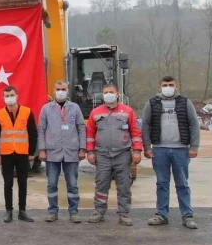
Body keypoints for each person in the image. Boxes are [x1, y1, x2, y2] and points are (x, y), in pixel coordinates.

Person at [141, 76, 200, 229]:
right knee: (162, 183)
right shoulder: (152, 103)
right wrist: (147, 147)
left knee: (182, 184)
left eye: (171, 84)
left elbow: (194, 124)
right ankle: (162, 215)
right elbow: (145, 125)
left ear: (176, 86)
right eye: (165, 85)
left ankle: (187, 216)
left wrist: (194, 146)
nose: (168, 87)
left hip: (181, 150)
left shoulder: (185, 102)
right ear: (159, 87)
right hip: (159, 149)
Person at [85, 84, 142, 226]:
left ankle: (124, 213)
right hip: (102, 155)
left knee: (124, 185)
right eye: (106, 92)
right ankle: (99, 212)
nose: (108, 94)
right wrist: (90, 152)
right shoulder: (95, 112)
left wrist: (137, 151)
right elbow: (90, 134)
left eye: (111, 92)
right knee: (101, 184)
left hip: (122, 154)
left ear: (117, 94)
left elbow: (135, 132)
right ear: (102, 95)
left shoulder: (128, 111)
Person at [37, 80, 87, 223]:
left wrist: (82, 148)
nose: (61, 92)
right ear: (54, 91)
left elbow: (81, 128)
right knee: (52, 183)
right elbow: (41, 130)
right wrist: (42, 150)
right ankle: (53, 211)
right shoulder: (46, 109)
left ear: (67, 90)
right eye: (58, 89)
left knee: (72, 184)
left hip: (71, 152)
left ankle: (74, 211)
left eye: (63, 89)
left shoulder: (75, 108)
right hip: (52, 152)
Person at [0, 86, 38, 223]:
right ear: (3, 98)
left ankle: (22, 211)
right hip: (6, 153)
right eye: (6, 96)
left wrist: (31, 152)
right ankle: (9, 211)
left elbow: (33, 133)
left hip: (22, 153)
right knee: (8, 183)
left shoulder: (27, 112)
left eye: (11, 95)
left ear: (17, 96)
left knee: (22, 182)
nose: (9, 98)